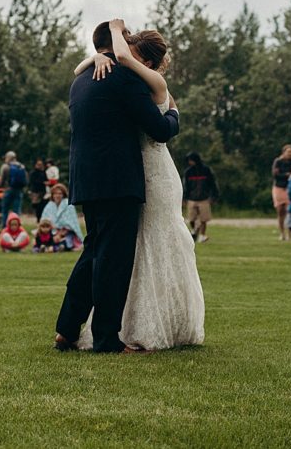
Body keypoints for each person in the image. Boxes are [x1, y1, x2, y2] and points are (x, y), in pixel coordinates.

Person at [54, 20, 195, 354]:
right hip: (118, 180)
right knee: (113, 262)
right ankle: (106, 340)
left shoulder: (81, 81)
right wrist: (174, 114)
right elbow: (159, 130)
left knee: (92, 254)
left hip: (86, 178)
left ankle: (66, 329)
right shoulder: (124, 78)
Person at [183, 152, 218, 243]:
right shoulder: (188, 172)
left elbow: (212, 184)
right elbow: (186, 186)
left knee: (203, 219)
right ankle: (194, 230)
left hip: (204, 198)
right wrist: (184, 198)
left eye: (190, 160)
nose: (189, 162)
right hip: (191, 198)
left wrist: (214, 196)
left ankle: (202, 235)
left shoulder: (206, 170)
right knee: (191, 218)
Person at [41, 183, 84, 251]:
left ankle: (62, 246)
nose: (57, 196)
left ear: (63, 195)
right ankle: (49, 247)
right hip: (50, 232)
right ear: (52, 195)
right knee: (45, 238)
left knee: (66, 240)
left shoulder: (69, 206)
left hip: (66, 233)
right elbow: (43, 222)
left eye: (60, 193)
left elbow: (71, 224)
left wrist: (60, 234)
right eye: (55, 194)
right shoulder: (49, 206)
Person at [271, 144, 291, 240]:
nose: (290, 154)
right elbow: (275, 174)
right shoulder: (278, 161)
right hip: (279, 187)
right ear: (284, 152)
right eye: (288, 152)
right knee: (280, 211)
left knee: (289, 211)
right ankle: (282, 233)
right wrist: (286, 175)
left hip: (289, 188)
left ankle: (290, 232)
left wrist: (287, 175)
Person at [0, 152, 27, 227]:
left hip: (8, 189)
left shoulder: (5, 167)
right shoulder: (21, 166)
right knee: (16, 210)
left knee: (5, 209)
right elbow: (25, 179)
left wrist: (2, 186)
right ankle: (16, 226)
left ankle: (5, 226)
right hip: (19, 190)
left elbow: (1, 181)